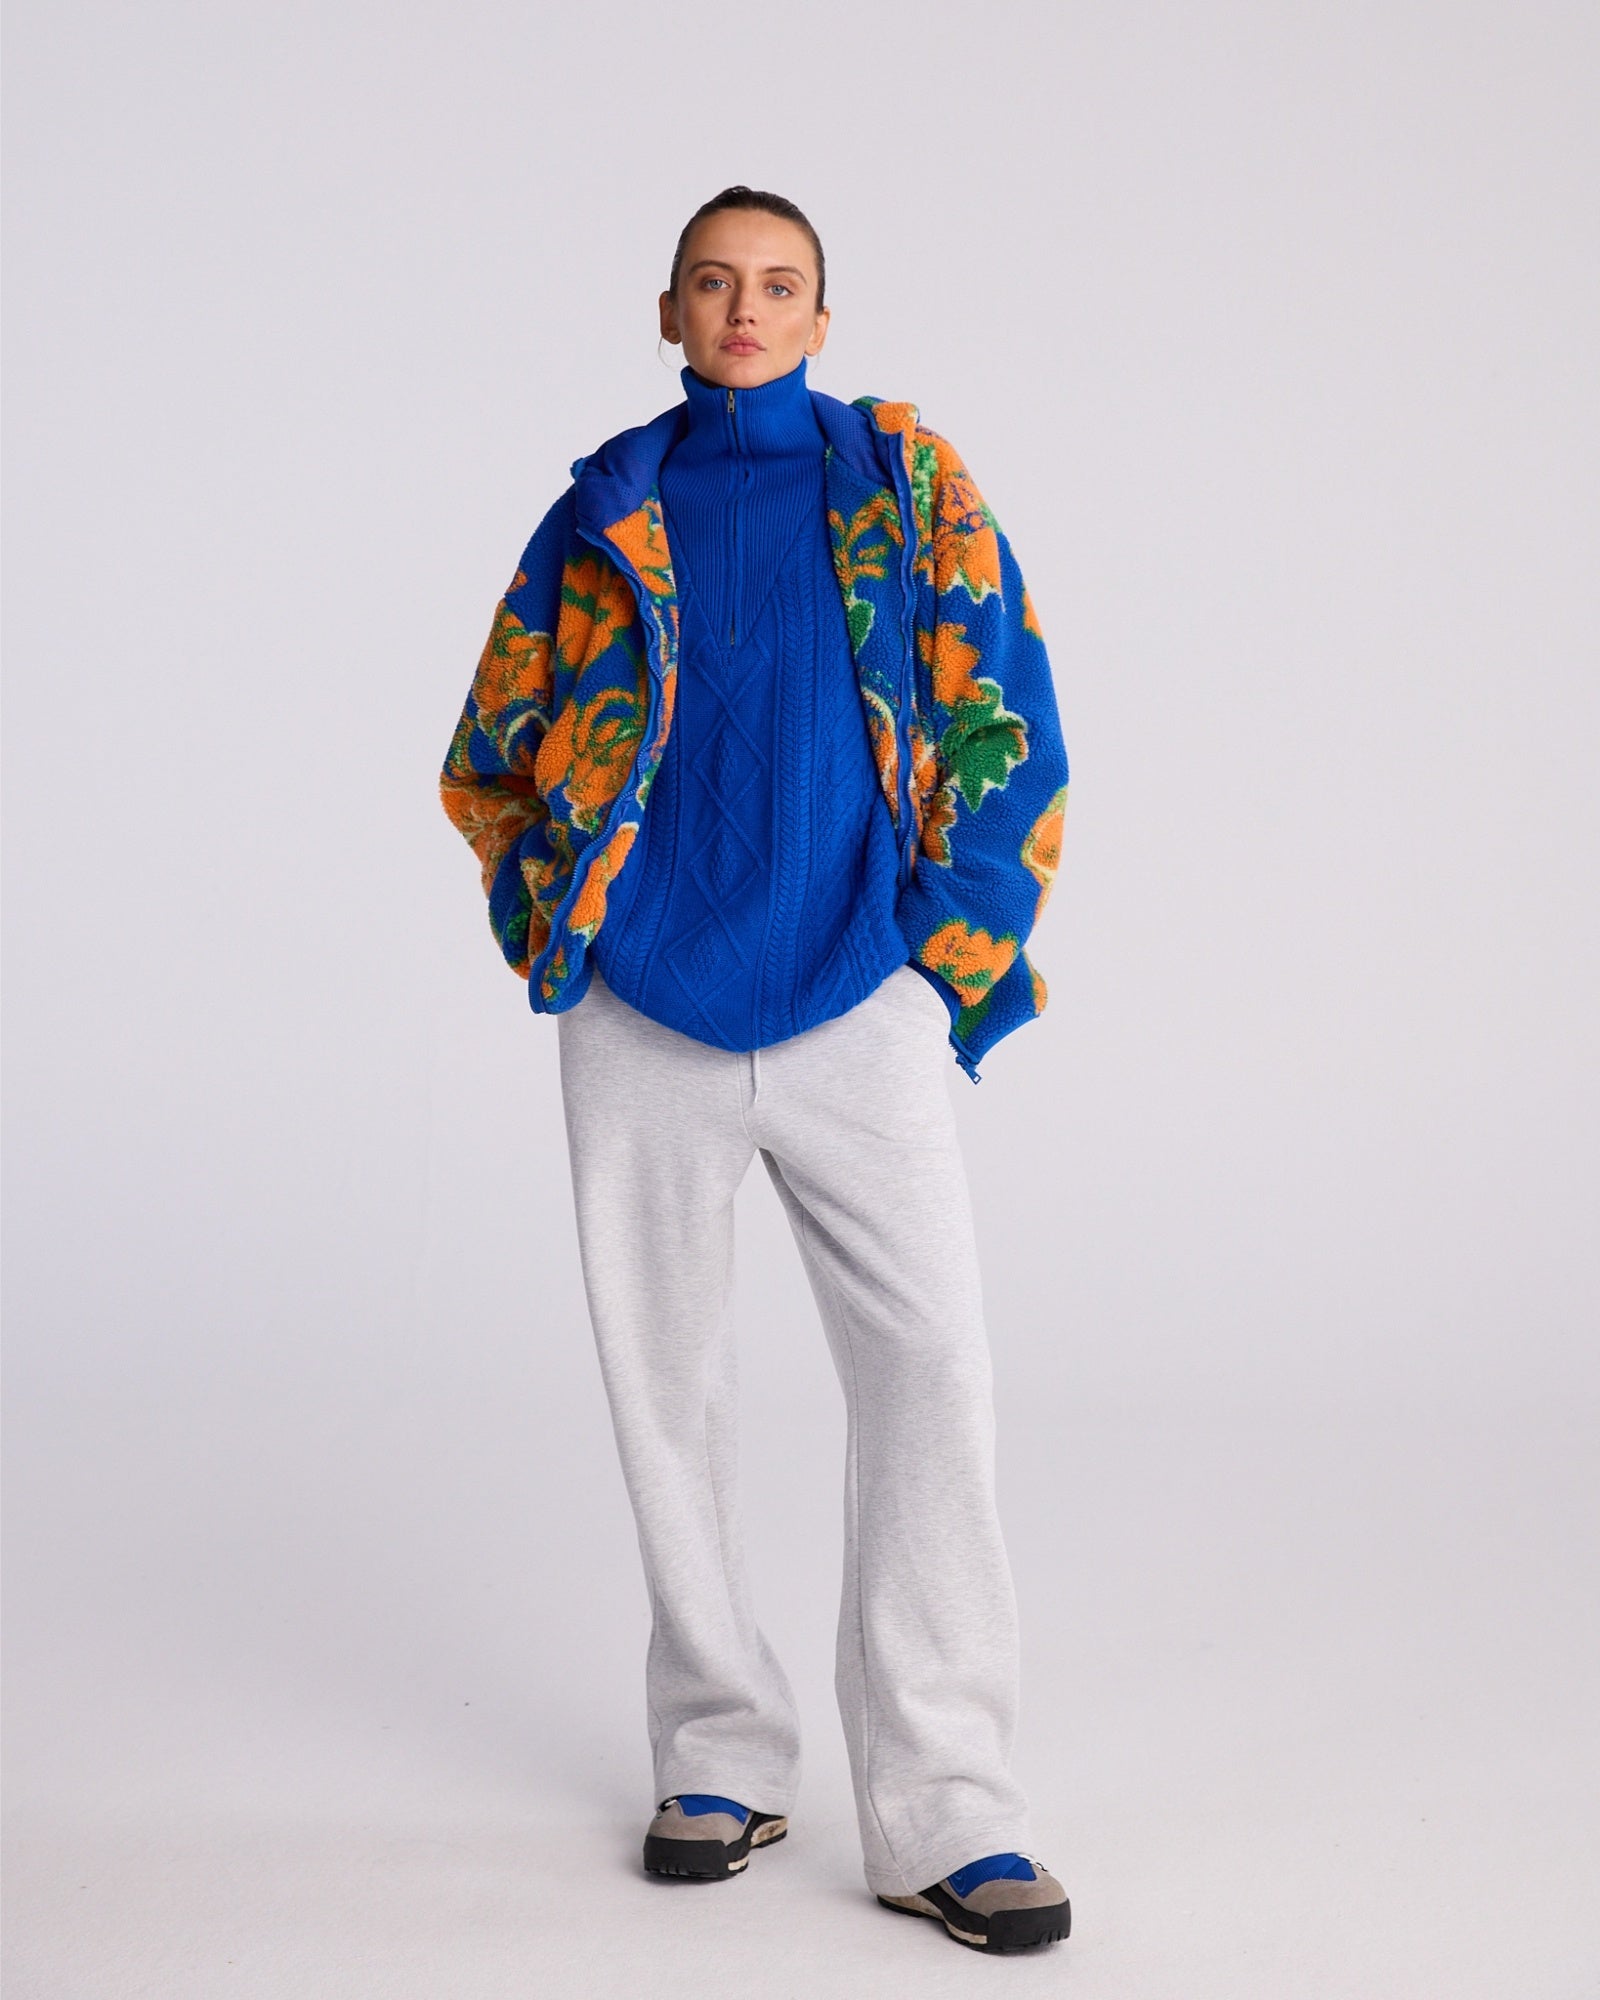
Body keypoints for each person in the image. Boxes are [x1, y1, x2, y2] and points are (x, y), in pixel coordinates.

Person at [438, 185, 1072, 1955]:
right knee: (669, 1389)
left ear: (819, 318)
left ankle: (949, 1806)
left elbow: (1006, 714)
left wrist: (938, 944)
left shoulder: (908, 494)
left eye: (778, 285)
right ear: (669, 312)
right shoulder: (601, 514)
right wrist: (566, 924)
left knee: (931, 1373)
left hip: (858, 995)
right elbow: (490, 748)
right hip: (642, 1013)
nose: (745, 308)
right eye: (714, 283)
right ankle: (718, 1753)